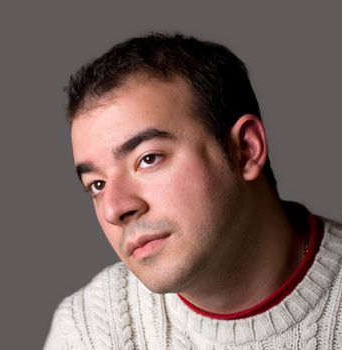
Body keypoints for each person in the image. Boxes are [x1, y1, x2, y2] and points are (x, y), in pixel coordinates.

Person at [43, 33, 342, 349]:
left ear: (246, 149)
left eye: (148, 159)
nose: (114, 209)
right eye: (97, 185)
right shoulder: (88, 329)